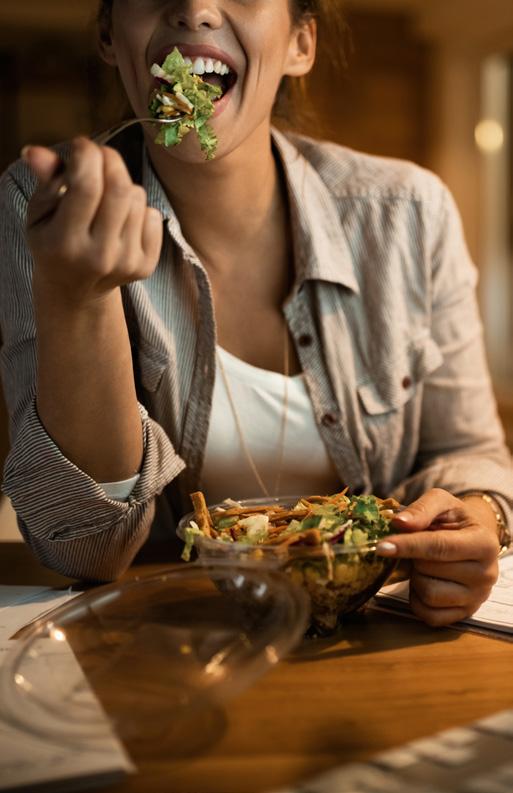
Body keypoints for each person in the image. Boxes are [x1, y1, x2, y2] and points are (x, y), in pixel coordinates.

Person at [1, 0, 512, 627]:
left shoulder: (410, 212)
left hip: (374, 634)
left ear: (300, 45)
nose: (193, 8)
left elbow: (471, 453)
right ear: (110, 36)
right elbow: (83, 550)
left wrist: (480, 515)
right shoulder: (41, 207)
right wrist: (80, 300)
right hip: (162, 641)